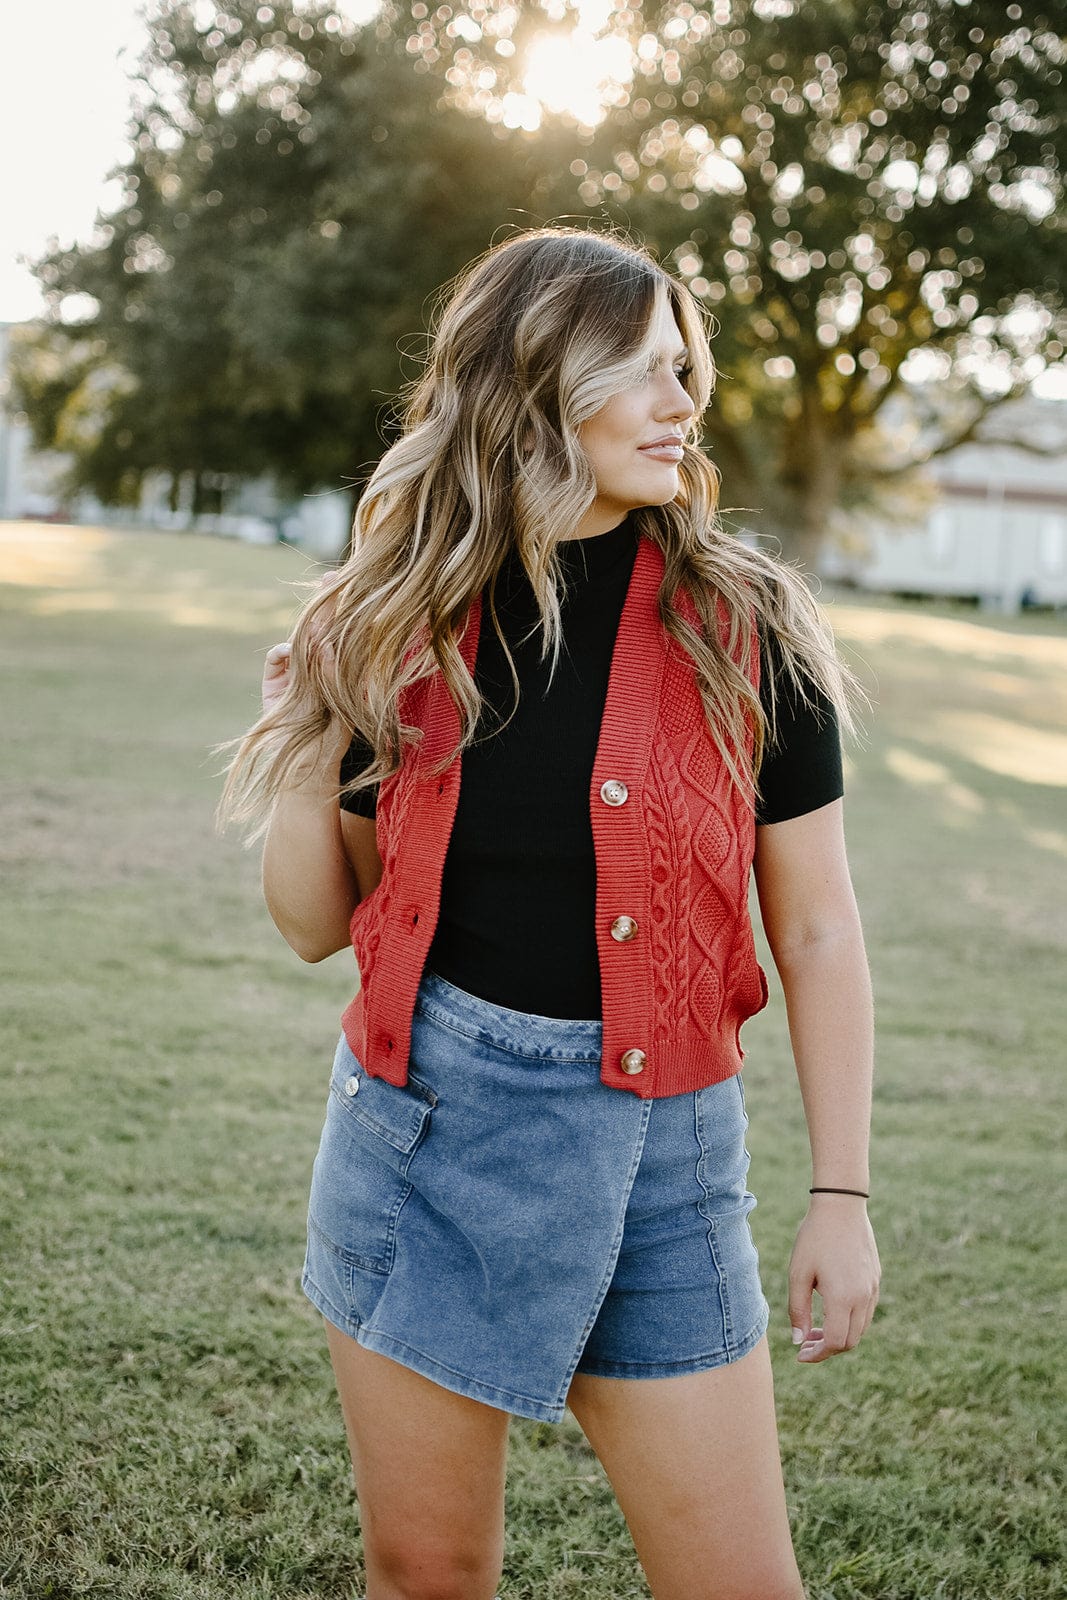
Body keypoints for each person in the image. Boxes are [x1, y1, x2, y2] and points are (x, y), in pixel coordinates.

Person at [217, 225, 880, 1600]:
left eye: (683, 369)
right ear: (531, 383)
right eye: (640, 371)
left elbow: (814, 929)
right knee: (426, 1572)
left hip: (667, 1165)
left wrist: (842, 1196)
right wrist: (299, 737)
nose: (682, 403)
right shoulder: (392, 620)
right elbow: (312, 922)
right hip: (423, 1141)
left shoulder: (745, 627)